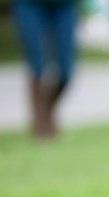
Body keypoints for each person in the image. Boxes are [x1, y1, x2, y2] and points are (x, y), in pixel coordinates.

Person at [13, 0, 78, 138]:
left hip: (64, 5)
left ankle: (47, 113)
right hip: (29, 4)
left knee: (66, 71)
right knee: (37, 66)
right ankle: (40, 125)